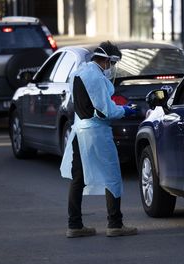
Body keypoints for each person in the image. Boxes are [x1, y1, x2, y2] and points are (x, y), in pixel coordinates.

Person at [60, 41, 138, 238]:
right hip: (96, 133)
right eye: (112, 63)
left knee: (78, 178)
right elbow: (106, 111)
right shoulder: (95, 76)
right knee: (112, 176)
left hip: (80, 131)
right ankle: (115, 224)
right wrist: (126, 110)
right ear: (105, 60)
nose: (112, 68)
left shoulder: (78, 72)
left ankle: (74, 225)